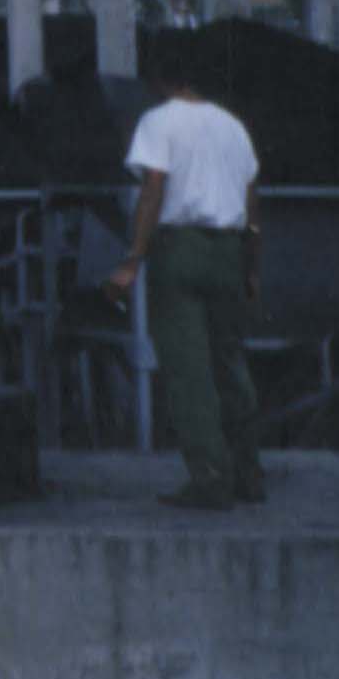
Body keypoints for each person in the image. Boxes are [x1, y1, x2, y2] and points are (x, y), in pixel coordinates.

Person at [101, 43, 264, 509]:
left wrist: (132, 259)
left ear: (159, 80)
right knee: (230, 364)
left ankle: (211, 479)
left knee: (189, 370)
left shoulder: (158, 122)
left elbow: (154, 188)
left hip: (180, 250)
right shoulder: (233, 127)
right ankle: (249, 476)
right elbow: (252, 203)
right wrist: (252, 267)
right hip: (229, 250)